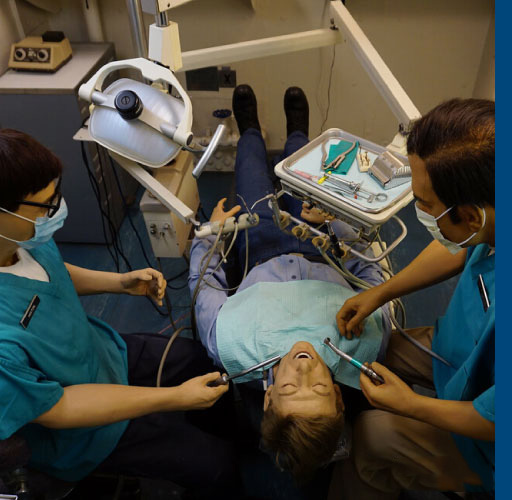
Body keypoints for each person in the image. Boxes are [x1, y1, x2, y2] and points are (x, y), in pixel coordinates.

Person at [0, 128, 237, 495]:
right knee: (214, 466)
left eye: (56, 195)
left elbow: (49, 274)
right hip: (85, 430)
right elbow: (60, 408)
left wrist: (120, 282)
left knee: (199, 359)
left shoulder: (26, 237)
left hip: (105, 353)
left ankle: (223, 425)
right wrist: (175, 398)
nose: (57, 209)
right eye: (46, 204)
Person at [189, 85, 391, 481]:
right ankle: (298, 130)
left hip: (258, 243)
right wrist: (335, 223)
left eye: (287, 390)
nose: (302, 372)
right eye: (317, 390)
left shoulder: (231, 345)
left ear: (267, 398)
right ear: (338, 398)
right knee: (304, 163)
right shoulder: (367, 343)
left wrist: (213, 232)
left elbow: (204, 283)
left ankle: (249, 128)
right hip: (320, 240)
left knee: (249, 166)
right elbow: (371, 274)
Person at [330, 99, 494, 498]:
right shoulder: (492, 215)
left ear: (471, 216)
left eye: (426, 205)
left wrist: (410, 405)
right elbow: (457, 247)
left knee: (372, 434)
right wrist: (379, 292)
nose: (419, 210)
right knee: (379, 343)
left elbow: (495, 420)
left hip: (490, 439)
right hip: (459, 355)